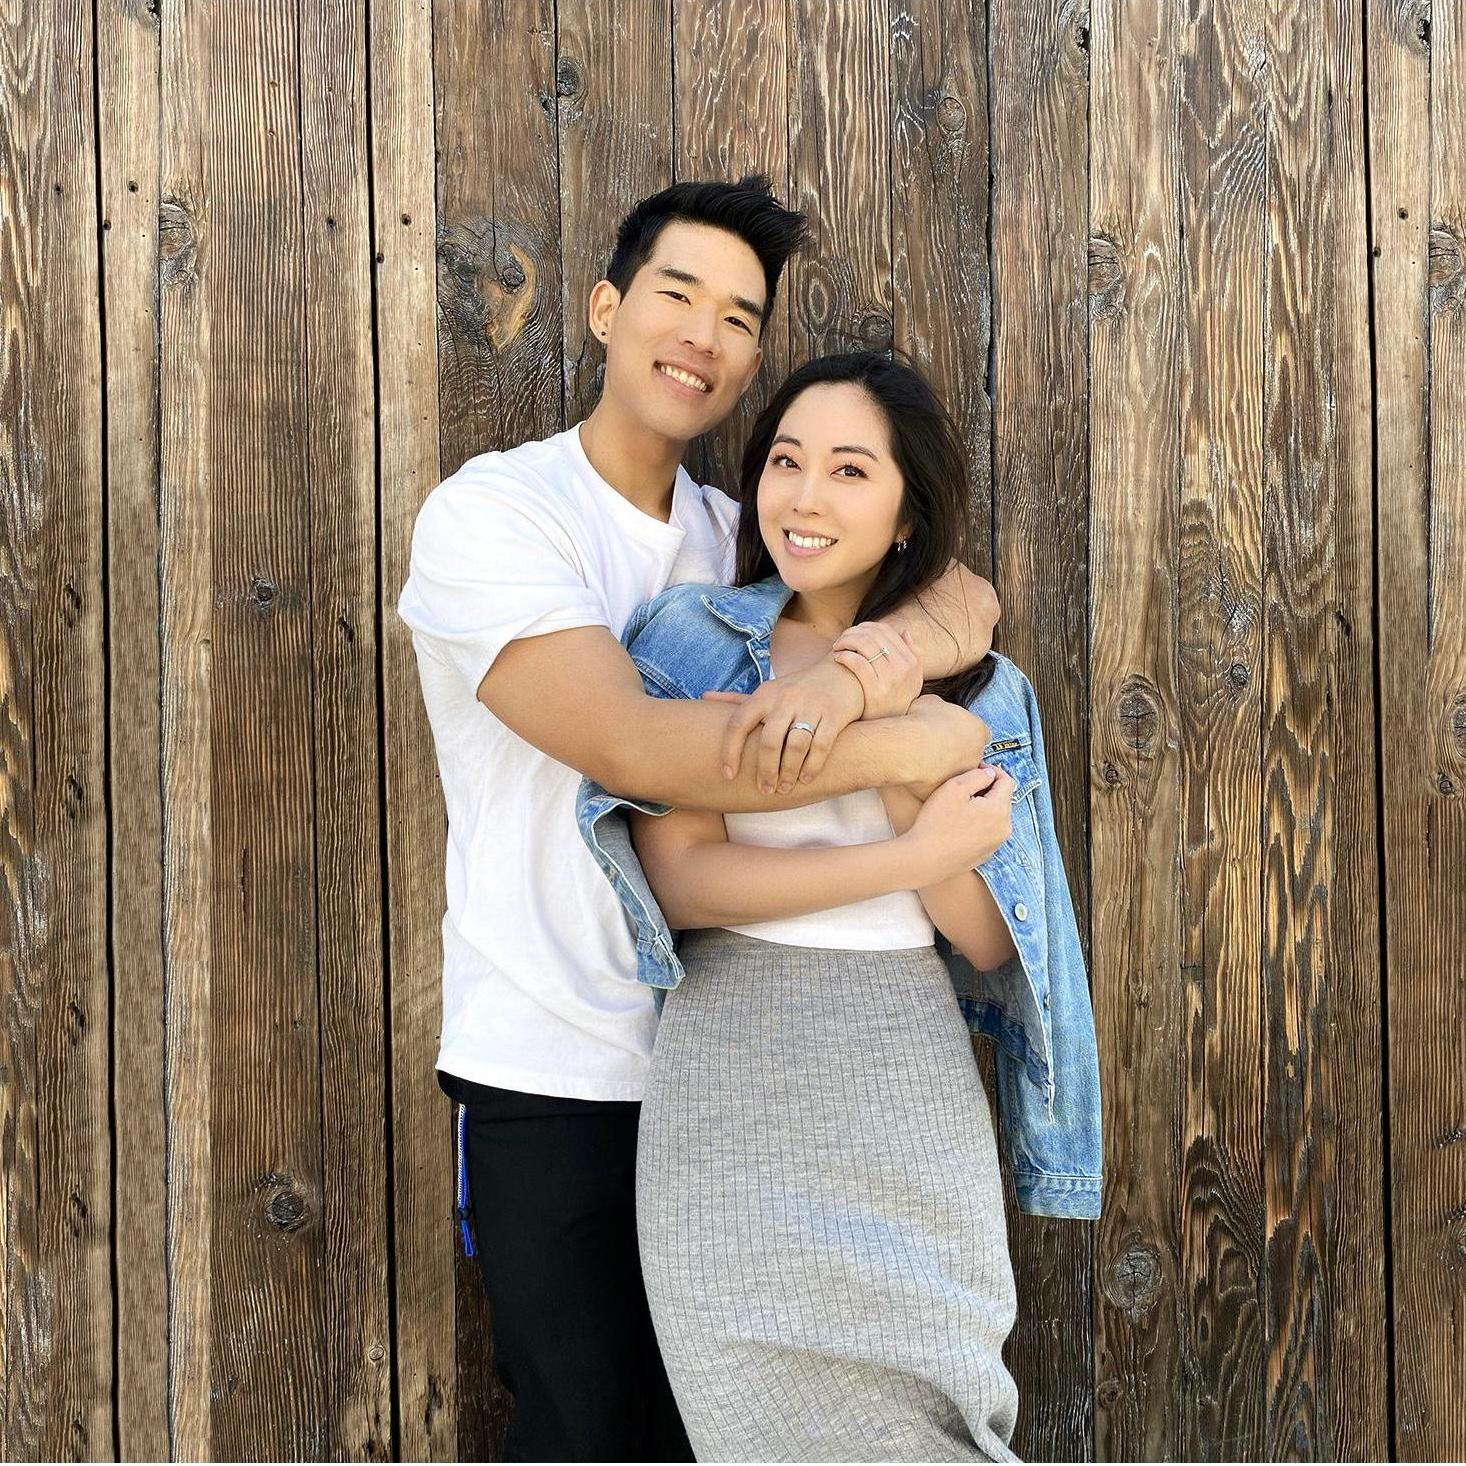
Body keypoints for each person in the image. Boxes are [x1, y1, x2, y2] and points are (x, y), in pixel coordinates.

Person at [396, 178, 1004, 1461]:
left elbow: (958, 594)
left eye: (738, 316)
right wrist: (910, 743)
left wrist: (850, 675)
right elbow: (632, 747)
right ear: (604, 310)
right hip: (557, 1059)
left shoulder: (745, 538)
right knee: (580, 1427)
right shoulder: (496, 513)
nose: (703, 334)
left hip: (734, 1067)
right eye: (676, 294)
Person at [575, 352, 1105, 1462]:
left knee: (936, 1418)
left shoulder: (982, 684)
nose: (805, 497)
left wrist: (897, 707)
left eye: (850, 470)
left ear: (908, 513)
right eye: (785, 461)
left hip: (901, 1081)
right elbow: (685, 884)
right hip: (725, 1085)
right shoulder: (688, 637)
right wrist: (910, 839)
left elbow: (981, 934)